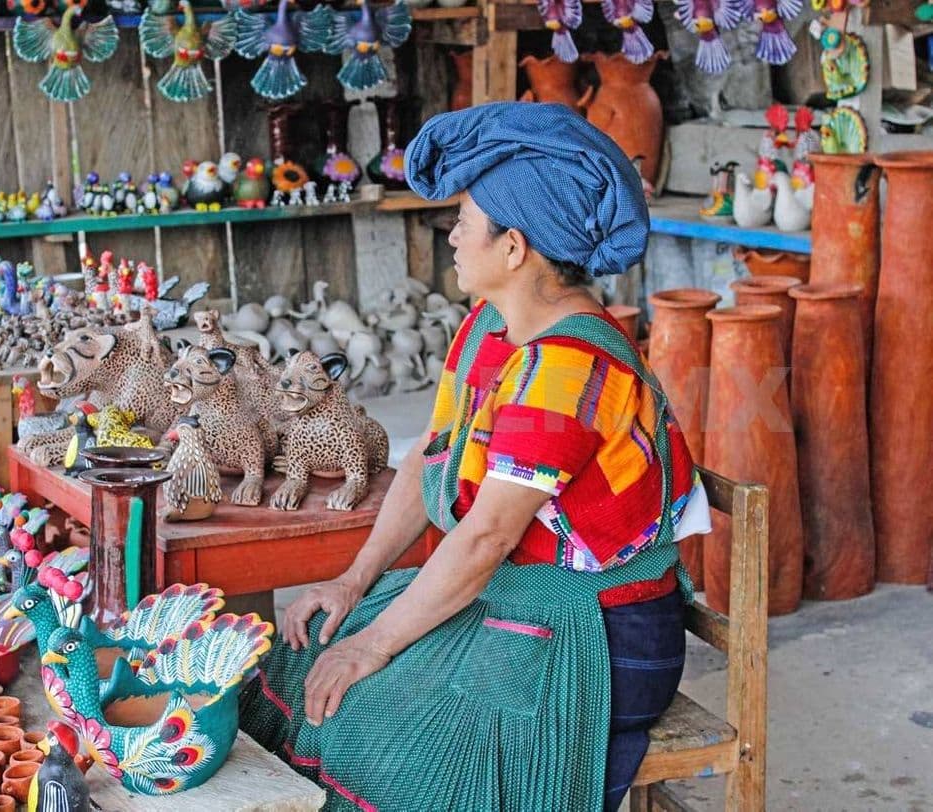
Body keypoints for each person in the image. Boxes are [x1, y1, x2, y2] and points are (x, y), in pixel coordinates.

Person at [239, 102, 712, 811]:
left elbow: (487, 538)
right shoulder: (492, 329)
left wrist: (374, 647)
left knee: (382, 720)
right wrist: (353, 581)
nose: (453, 235)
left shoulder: (570, 367)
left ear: (515, 248)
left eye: (465, 219)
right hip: (519, 598)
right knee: (305, 654)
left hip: (601, 635)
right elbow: (428, 458)